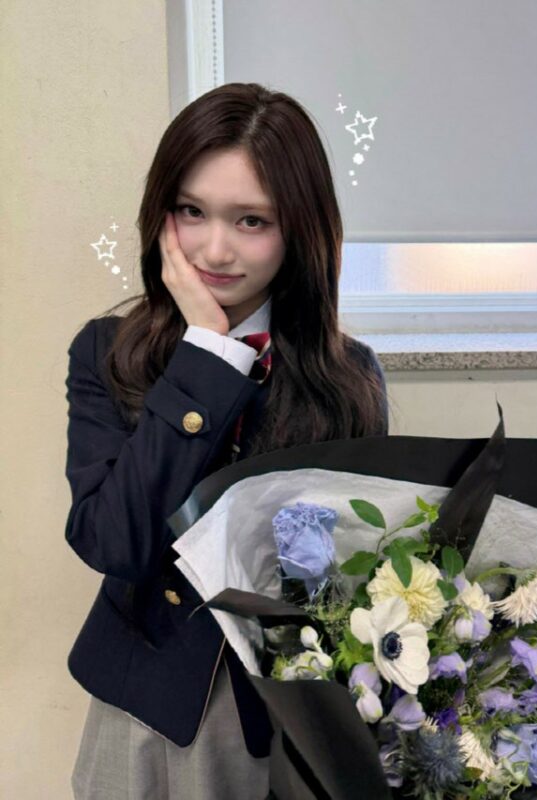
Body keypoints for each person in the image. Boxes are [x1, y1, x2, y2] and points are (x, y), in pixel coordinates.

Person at [65, 82, 389, 800]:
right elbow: (114, 542)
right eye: (192, 212)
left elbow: (348, 573)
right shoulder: (106, 352)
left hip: (284, 716)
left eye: (251, 220)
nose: (215, 249)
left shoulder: (348, 376)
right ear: (162, 216)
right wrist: (209, 354)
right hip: (146, 700)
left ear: (299, 229)